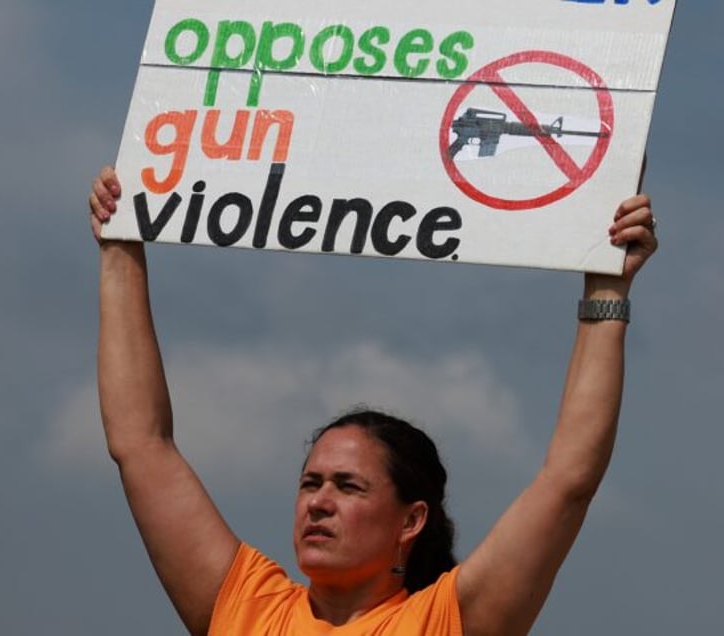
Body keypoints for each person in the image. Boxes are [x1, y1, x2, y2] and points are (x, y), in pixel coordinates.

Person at [89, 165, 658, 636]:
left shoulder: (443, 622)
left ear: (411, 521)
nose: (318, 502)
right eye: (311, 483)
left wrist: (607, 290)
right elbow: (142, 445)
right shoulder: (248, 612)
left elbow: (568, 480)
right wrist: (119, 250)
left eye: (348, 485)